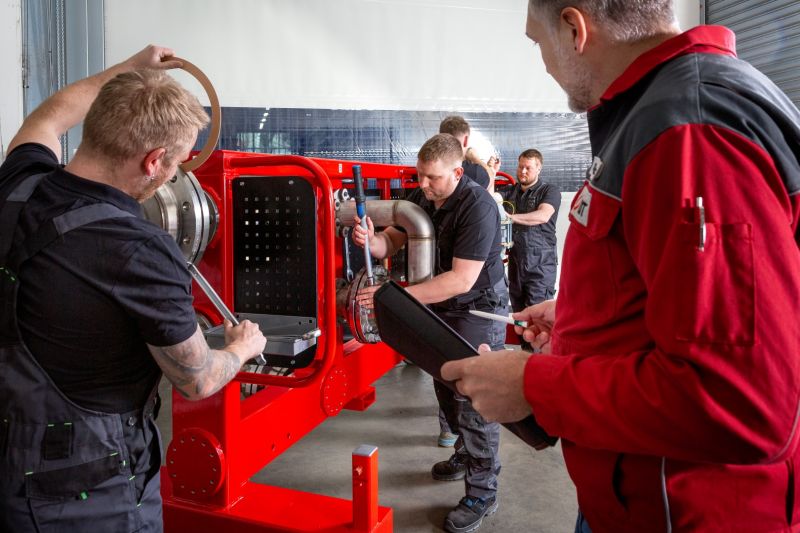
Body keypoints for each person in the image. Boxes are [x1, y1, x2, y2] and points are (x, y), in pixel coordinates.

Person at [440, 1, 800, 532]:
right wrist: (584, 317)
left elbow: (740, 401)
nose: (544, 63)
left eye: (538, 42)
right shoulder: (657, 113)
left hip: (682, 511)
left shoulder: (689, 133)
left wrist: (534, 385)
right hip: (630, 493)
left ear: (574, 28)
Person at [0, 46, 267, 533]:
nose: (176, 174)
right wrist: (241, 348)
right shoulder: (141, 251)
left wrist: (130, 69)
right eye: (177, 164)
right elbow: (197, 380)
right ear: (154, 161)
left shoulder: (17, 182)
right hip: (87, 497)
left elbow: (50, 115)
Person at [354, 133, 508, 533]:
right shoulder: (423, 198)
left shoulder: (478, 207)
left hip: (476, 309)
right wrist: (371, 239)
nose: (423, 184)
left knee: (474, 402)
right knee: (446, 390)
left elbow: (461, 280)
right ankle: (465, 453)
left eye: (432, 178)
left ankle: (483, 491)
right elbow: (391, 241)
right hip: (439, 307)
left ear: (457, 172)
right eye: (419, 175)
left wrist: (395, 298)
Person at [497, 149, 561, 315]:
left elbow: (543, 215)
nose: (523, 171)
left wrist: (510, 218)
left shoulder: (549, 191)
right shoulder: (510, 191)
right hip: (516, 265)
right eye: (520, 167)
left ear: (539, 168)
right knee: (519, 316)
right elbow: (489, 198)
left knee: (537, 317)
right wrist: (490, 172)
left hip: (540, 268)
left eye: (528, 168)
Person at [439, 115, 495, 192]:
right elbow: (490, 178)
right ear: (465, 140)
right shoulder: (474, 172)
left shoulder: (431, 165)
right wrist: (476, 159)